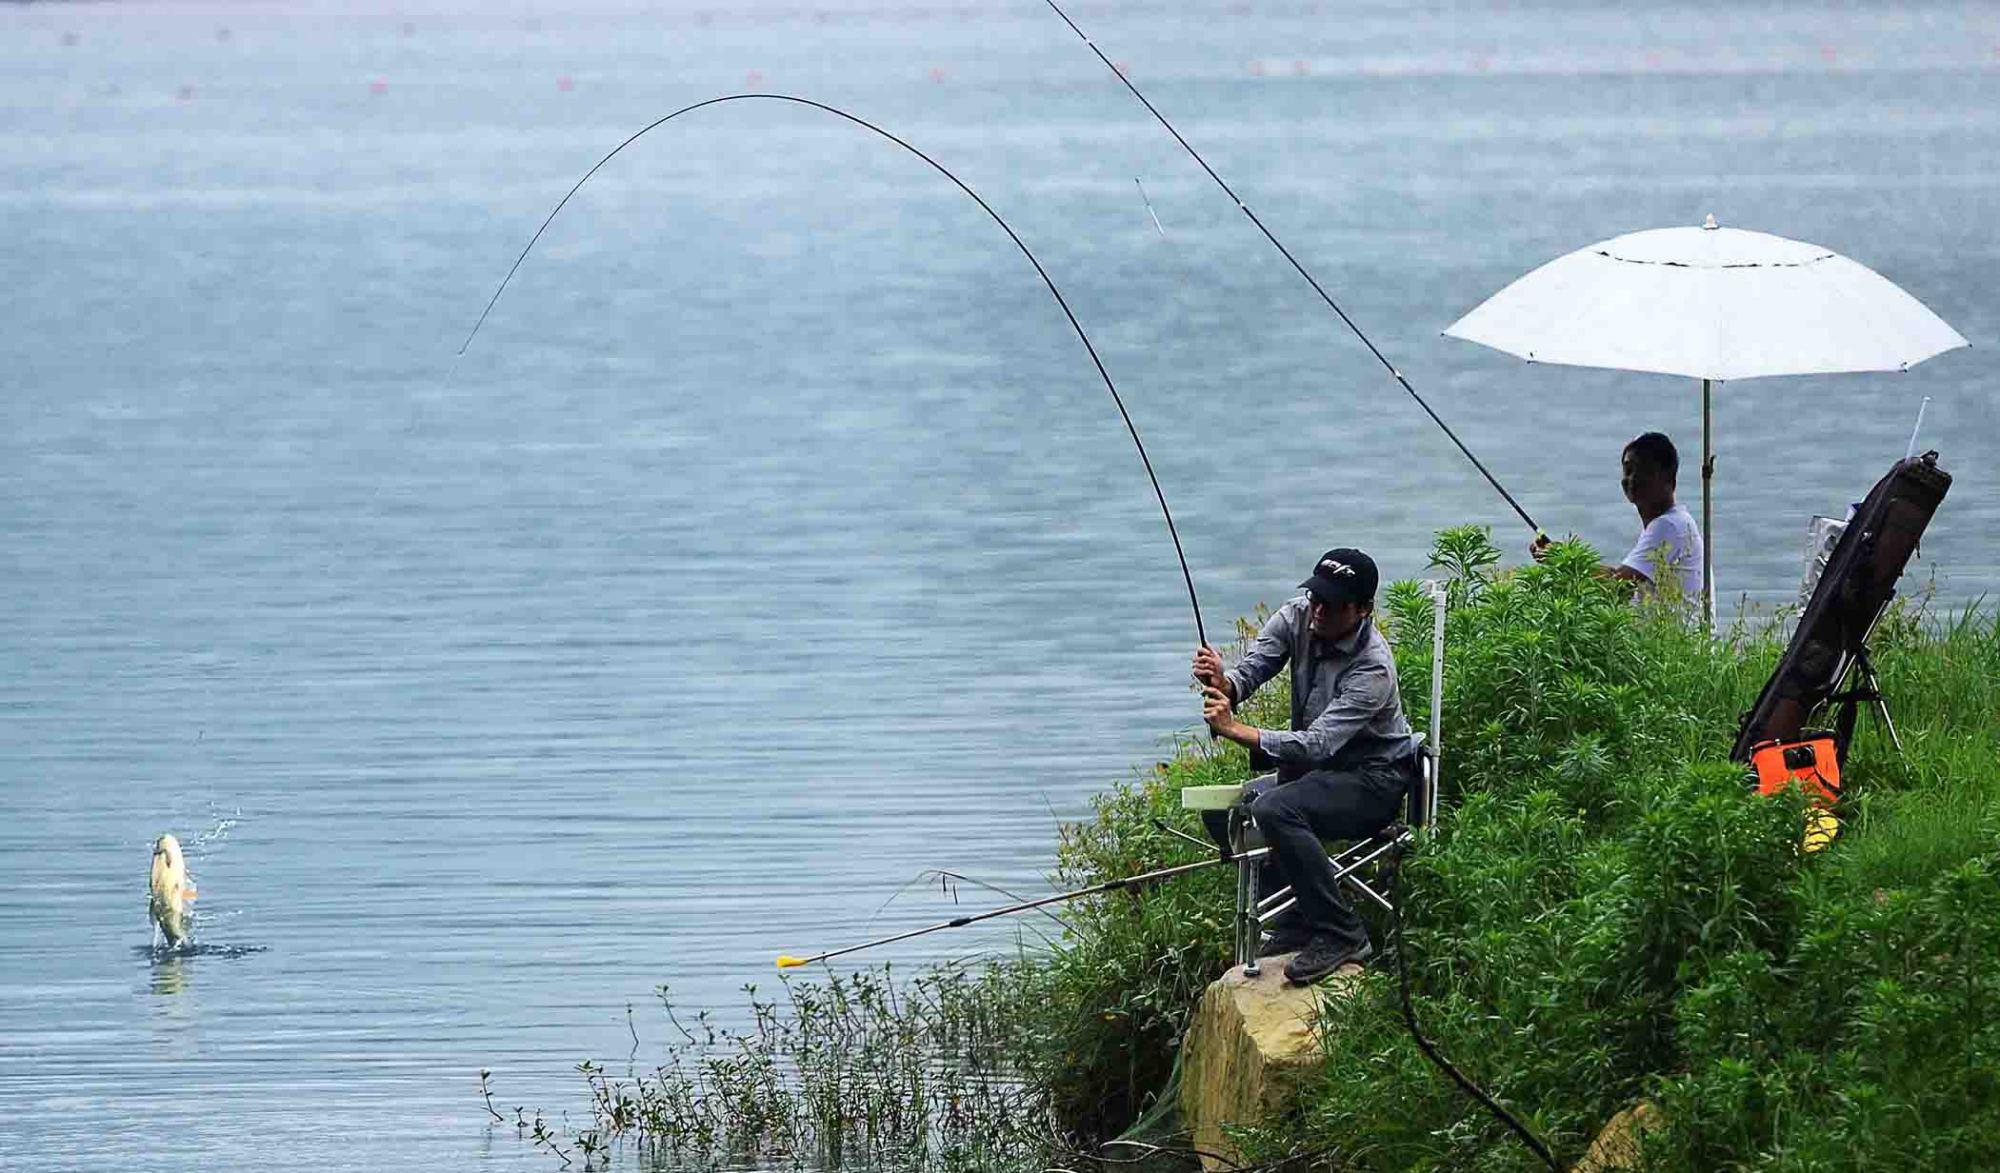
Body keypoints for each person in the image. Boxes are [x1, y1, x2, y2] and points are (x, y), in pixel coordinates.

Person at [1191, 548, 1421, 985]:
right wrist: (1224, 683)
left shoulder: (1372, 667)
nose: (1318, 610)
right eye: (1315, 596)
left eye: (1332, 605)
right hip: (1318, 774)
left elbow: (1316, 745)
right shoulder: (1298, 616)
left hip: (1372, 780)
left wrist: (1234, 729)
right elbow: (1252, 670)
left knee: (1278, 809)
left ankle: (1342, 932)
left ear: (1364, 609)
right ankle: (1298, 918)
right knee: (1226, 812)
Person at [1533, 431, 1704, 605]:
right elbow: (1622, 577)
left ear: (1667, 478)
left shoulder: (1669, 526)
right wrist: (1561, 557)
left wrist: (1564, 560)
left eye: (1642, 470)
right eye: (1627, 471)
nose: (1631, 479)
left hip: (1674, 633)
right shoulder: (1676, 523)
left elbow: (1618, 586)